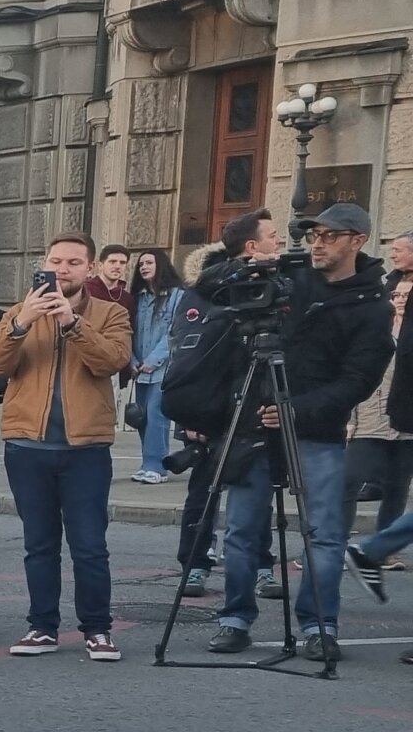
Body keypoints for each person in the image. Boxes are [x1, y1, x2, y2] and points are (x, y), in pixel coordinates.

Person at [200, 202, 390, 661]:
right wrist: (241, 266)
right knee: (242, 529)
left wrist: (294, 410)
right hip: (256, 425)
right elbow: (206, 291)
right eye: (312, 235)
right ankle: (235, 618)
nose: (316, 243)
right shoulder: (290, 274)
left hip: (316, 432)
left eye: (328, 236)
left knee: (323, 534)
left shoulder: (372, 303)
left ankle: (319, 625)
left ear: (357, 241)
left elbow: (358, 380)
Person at [0, 233, 135, 661]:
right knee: (39, 544)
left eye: (72, 262)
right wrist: (21, 323)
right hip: (28, 446)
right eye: (55, 261)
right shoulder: (20, 310)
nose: (62, 269)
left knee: (89, 544)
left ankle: (98, 629)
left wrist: (72, 322)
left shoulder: (111, 313)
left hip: (85, 448)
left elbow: (111, 362)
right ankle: (42, 627)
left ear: (89, 269)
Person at [174, 214, 283, 599]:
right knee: (203, 492)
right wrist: (190, 415)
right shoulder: (208, 290)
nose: (281, 240)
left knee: (261, 491)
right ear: (251, 247)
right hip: (213, 408)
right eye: (273, 235)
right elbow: (188, 355)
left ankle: (263, 564)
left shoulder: (279, 284)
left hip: (262, 403)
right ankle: (194, 564)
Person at [345, 276, 413, 562]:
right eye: (397, 294)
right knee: (349, 481)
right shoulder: (376, 328)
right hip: (369, 419)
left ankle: (382, 550)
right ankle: (332, 542)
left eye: (406, 296)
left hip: (406, 424)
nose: (400, 299)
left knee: (397, 487)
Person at [128, 249, 186, 483]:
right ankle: (147, 463)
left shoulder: (176, 296)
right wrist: (132, 361)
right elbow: (128, 331)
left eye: (149, 262)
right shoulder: (138, 298)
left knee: (156, 415)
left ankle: (157, 466)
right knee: (141, 417)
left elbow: (176, 331)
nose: (143, 267)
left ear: (160, 265)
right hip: (139, 369)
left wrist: (153, 360)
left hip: (164, 369)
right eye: (140, 264)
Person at [90, 243, 134, 308]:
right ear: (100, 265)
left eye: (122, 263)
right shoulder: (86, 289)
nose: (117, 266)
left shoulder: (127, 298)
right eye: (112, 262)